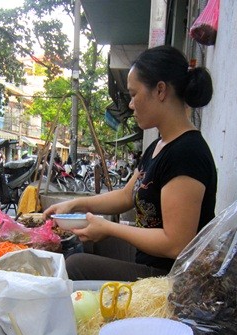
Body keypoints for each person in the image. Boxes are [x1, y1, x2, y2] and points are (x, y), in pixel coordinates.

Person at [43, 45, 217, 281]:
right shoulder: (158, 146)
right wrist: (75, 205)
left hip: (169, 279)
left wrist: (109, 229)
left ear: (160, 91)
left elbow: (176, 244)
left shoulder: (187, 153)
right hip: (147, 265)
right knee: (72, 249)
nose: (131, 105)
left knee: (75, 265)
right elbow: (126, 196)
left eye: (134, 94)